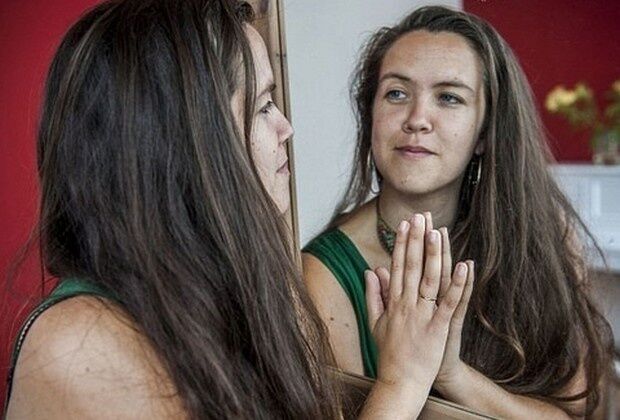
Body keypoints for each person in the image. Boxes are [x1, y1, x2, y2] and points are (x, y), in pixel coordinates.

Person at [5, 1, 473, 418]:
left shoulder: (250, 294)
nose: (286, 127)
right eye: (264, 106)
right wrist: (401, 382)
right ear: (187, 140)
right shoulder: (80, 346)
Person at [303, 5, 612, 418]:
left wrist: (452, 374)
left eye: (448, 97)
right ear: (370, 114)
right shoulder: (323, 275)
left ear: (484, 132)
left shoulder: (546, 236)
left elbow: (577, 414)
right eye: (396, 93)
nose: (417, 119)